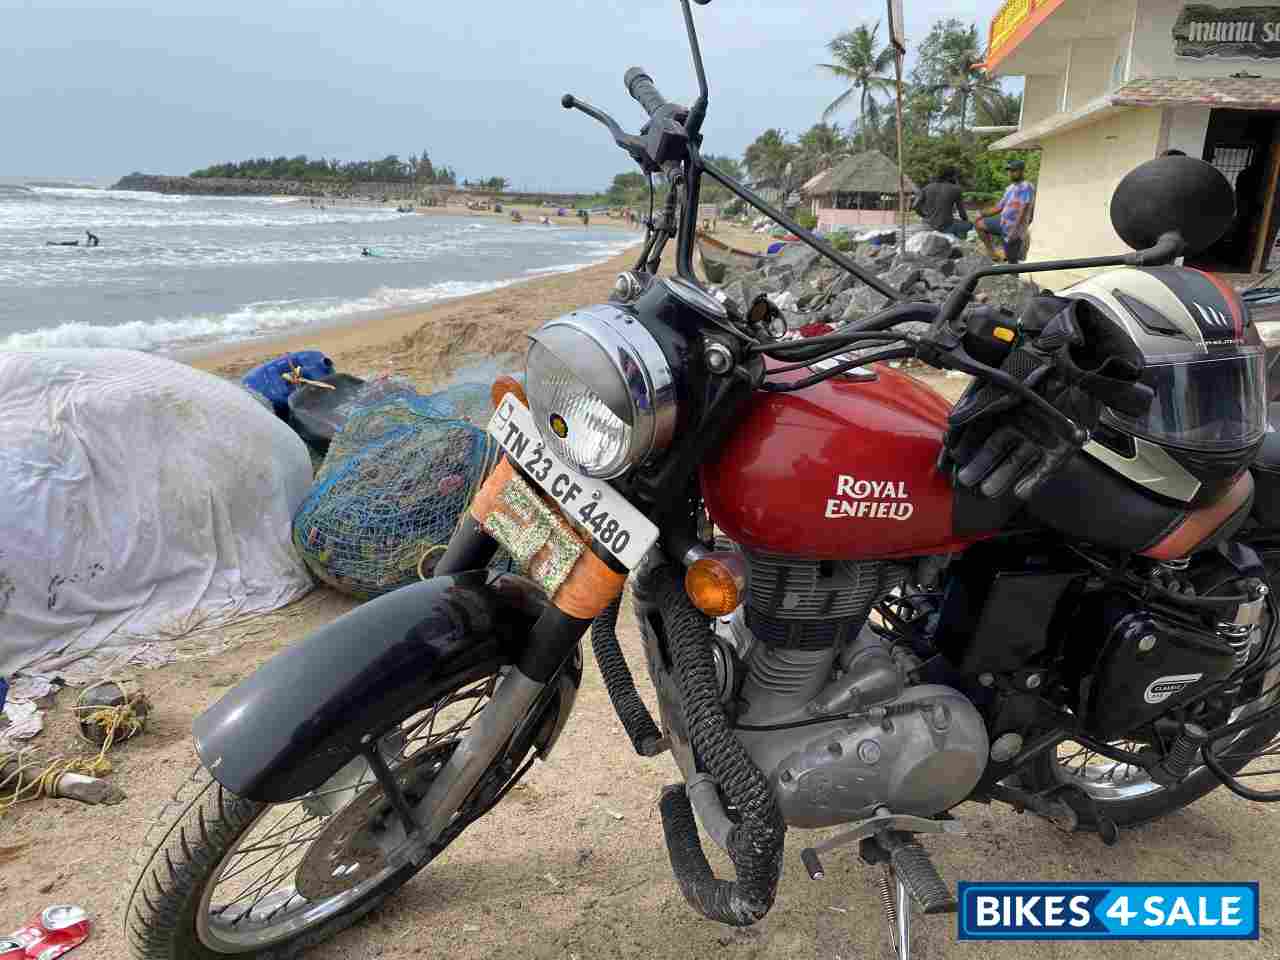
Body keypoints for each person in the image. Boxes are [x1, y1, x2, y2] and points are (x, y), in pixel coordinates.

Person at [976, 159, 1035, 263]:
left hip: (1015, 227)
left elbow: (1023, 210)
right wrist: (981, 213)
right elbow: (999, 207)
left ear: (1021, 171)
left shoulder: (1026, 187)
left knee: (1012, 260)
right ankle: (993, 254)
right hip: (1002, 222)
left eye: (1014, 171)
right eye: (1009, 171)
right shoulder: (1010, 188)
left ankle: (1012, 274)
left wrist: (1014, 231)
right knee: (979, 224)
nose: (1010, 173)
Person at [912, 167, 971, 238]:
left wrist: (924, 215)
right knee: (969, 226)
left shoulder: (927, 187)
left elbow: (915, 206)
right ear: (952, 177)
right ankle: (959, 244)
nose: (957, 179)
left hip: (928, 225)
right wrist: (966, 222)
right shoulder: (956, 189)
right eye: (956, 177)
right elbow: (962, 213)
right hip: (946, 227)